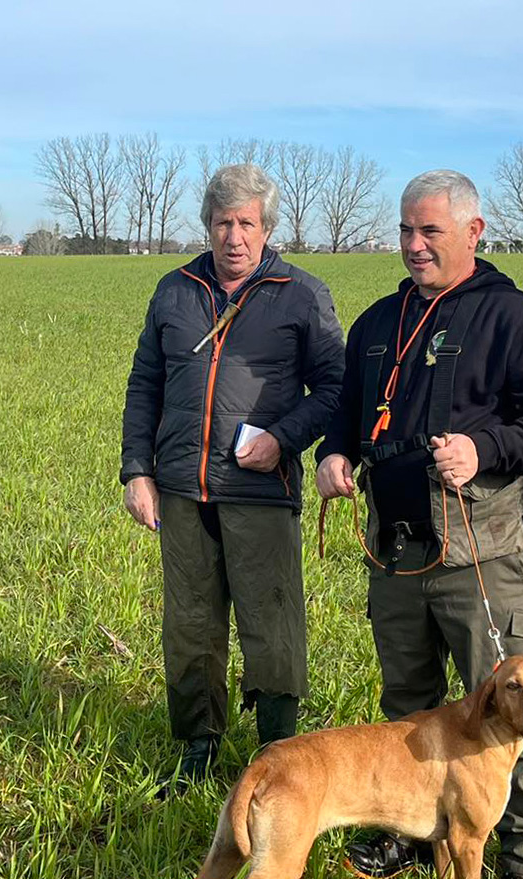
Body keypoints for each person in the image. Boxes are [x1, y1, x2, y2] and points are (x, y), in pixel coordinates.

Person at [316, 169, 523, 879]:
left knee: (513, 713)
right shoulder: (377, 322)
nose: (413, 245)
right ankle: (411, 832)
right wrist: (335, 454)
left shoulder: (514, 317)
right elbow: (345, 412)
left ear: (474, 232)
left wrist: (486, 446)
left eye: (430, 231)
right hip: (396, 548)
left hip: (481, 550)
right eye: (405, 230)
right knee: (407, 706)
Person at [121, 163, 345, 796]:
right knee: (190, 625)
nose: (234, 236)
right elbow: (145, 386)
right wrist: (138, 470)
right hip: (182, 491)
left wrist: (284, 438)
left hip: (260, 492)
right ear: (207, 226)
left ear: (267, 227)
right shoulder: (175, 290)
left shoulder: (301, 293)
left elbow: (335, 387)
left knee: (272, 626)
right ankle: (198, 749)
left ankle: (278, 758)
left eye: (247, 222)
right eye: (223, 222)